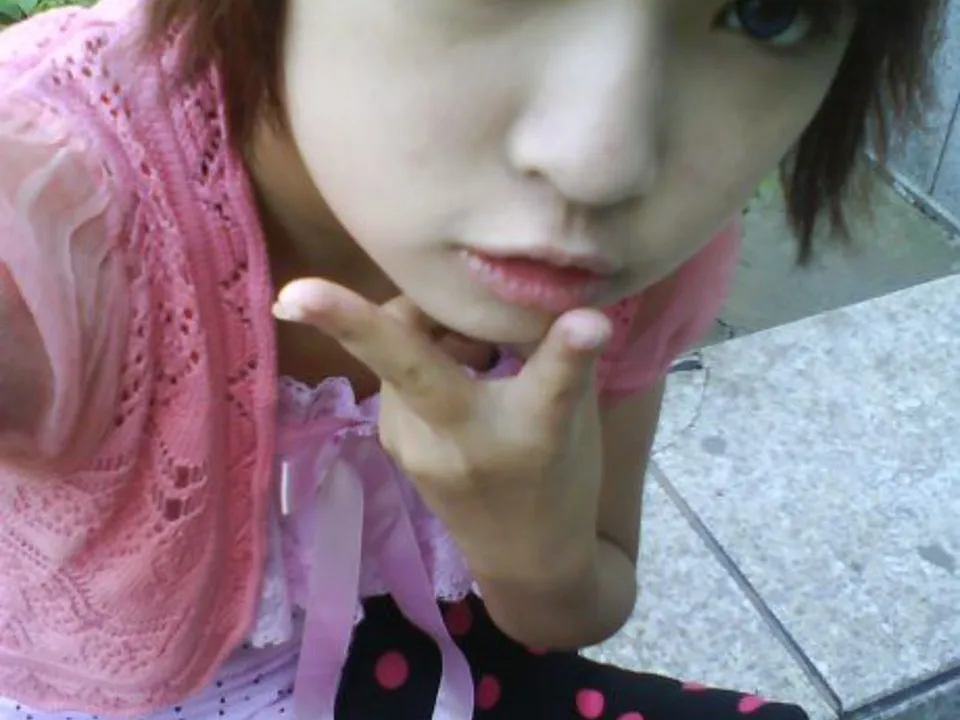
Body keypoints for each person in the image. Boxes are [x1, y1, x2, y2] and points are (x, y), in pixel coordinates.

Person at [0, 0, 944, 718]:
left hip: (426, 657)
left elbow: (580, 599)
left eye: (769, 11)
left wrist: (532, 543)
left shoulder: (637, 265)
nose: (603, 163)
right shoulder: (49, 219)